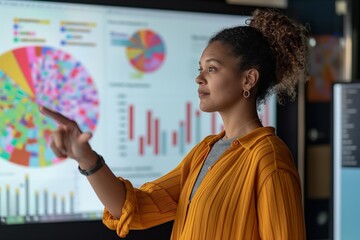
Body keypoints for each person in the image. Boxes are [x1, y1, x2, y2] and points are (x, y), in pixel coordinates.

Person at [40, 8, 309, 240]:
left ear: (248, 80)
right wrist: (86, 159)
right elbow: (136, 209)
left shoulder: (269, 160)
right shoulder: (205, 151)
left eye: (212, 69)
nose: (199, 79)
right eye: (199, 69)